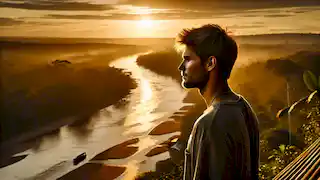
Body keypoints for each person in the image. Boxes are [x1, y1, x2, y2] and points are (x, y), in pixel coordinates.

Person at [175, 24, 260, 180]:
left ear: (210, 63)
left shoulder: (210, 123)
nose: (181, 67)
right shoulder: (243, 107)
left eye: (187, 59)